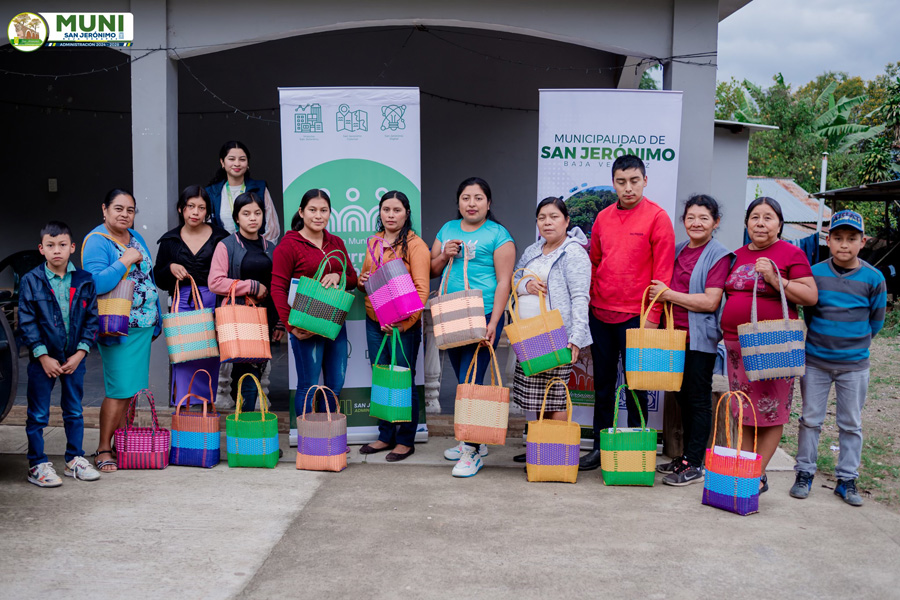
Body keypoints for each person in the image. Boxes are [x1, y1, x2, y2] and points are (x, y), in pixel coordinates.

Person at [579, 155, 675, 472]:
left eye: (634, 181)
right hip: (600, 314)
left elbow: (663, 276)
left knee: (637, 386)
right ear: (614, 183)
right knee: (603, 386)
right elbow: (594, 263)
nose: (628, 188)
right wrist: (590, 303)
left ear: (645, 181)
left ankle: (636, 450)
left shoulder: (658, 218)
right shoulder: (603, 217)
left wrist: (653, 318)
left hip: (638, 317)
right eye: (621, 182)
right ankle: (600, 447)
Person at [790, 210, 886, 506]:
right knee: (810, 419)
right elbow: (809, 311)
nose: (844, 244)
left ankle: (846, 479)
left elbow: (876, 321)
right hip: (816, 362)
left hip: (854, 366)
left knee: (851, 423)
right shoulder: (815, 274)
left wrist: (853, 345)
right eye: (838, 238)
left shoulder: (874, 278)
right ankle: (804, 473)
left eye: (852, 238)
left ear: (863, 242)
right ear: (828, 240)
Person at [721, 197, 817, 493]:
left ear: (779, 224)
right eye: (755, 217)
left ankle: (754, 476)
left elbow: (810, 296)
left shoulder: (790, 254)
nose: (760, 223)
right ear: (746, 222)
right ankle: (748, 470)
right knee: (745, 411)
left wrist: (776, 279)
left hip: (773, 345)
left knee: (771, 411)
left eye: (768, 217)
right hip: (736, 346)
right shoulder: (736, 255)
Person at [430, 177, 515, 477]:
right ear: (458, 202)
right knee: (462, 377)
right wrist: (444, 254)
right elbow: (432, 268)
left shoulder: (499, 235)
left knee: (473, 382)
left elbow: (504, 281)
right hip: (452, 311)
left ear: (488, 203)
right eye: (466, 198)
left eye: (478, 198)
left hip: (484, 313)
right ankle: (474, 439)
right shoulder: (447, 229)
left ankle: (471, 451)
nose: (472, 203)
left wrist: (494, 321)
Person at [648, 195, 732, 486]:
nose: (696, 223)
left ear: (715, 222)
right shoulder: (678, 250)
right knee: (681, 397)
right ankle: (684, 457)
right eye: (691, 217)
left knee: (698, 399)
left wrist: (668, 294)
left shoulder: (719, 255)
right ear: (683, 220)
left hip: (699, 340)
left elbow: (710, 301)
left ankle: (695, 463)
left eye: (704, 218)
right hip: (673, 338)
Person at [82, 189, 163, 473]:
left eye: (130, 210)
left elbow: (148, 278)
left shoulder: (135, 237)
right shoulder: (96, 241)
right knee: (118, 389)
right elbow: (95, 284)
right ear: (104, 209)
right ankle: (103, 448)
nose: (125, 214)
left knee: (131, 390)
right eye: (118, 208)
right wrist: (125, 260)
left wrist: (157, 317)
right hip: (118, 328)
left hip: (142, 326)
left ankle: (121, 444)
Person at [17, 221, 101, 486]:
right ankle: (37, 464)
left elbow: (92, 319)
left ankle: (74, 459)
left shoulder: (84, 280)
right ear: (41, 249)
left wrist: (81, 352)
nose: (57, 250)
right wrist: (42, 356)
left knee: (74, 411)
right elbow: (27, 321)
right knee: (38, 414)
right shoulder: (32, 280)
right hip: (42, 361)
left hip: (74, 358)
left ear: (72, 247)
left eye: (62, 245)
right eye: (50, 245)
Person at [510, 197, 592, 463]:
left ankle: (553, 457)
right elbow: (515, 278)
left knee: (554, 397)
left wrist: (576, 338)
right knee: (538, 397)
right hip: (529, 334)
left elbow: (580, 297)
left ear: (566, 221)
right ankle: (540, 448)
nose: (547, 222)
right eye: (542, 217)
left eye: (554, 217)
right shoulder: (533, 250)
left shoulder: (573, 253)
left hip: (558, 334)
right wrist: (527, 286)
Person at [271, 189, 358, 417]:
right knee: (308, 387)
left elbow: (353, 278)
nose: (318, 216)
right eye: (312, 210)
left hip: (334, 324)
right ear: (301, 212)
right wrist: (291, 327)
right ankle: (308, 437)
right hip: (305, 326)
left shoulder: (336, 242)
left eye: (323, 210)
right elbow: (277, 289)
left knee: (335, 385)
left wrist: (338, 275)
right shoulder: (288, 246)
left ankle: (327, 434)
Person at [357, 191, 430, 462]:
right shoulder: (373, 242)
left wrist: (404, 324)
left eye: (396, 210)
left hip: (402, 326)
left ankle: (406, 440)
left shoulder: (415, 245)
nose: (390, 215)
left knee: (403, 380)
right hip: (375, 320)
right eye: (386, 209)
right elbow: (366, 281)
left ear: (406, 213)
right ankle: (385, 435)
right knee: (383, 378)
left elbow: (421, 290)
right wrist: (361, 281)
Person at [208, 192, 284, 410]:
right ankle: (246, 423)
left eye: (257, 213)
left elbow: (277, 286)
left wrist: (279, 321)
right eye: (246, 213)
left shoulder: (271, 248)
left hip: (264, 319)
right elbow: (215, 282)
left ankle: (246, 422)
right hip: (239, 318)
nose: (253, 218)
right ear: (236, 218)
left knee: (257, 372)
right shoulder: (226, 245)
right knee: (246, 374)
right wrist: (250, 286)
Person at [154, 185, 229, 407]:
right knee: (184, 358)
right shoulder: (170, 240)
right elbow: (158, 278)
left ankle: (206, 410)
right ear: (181, 209)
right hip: (183, 304)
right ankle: (184, 409)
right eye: (190, 206)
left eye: (201, 207)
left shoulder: (221, 238)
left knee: (210, 356)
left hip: (213, 303)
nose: (195, 212)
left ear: (208, 211)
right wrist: (170, 268)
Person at [205, 140, 281, 243]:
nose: (237, 164)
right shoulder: (212, 192)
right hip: (223, 249)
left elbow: (272, 228)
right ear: (222, 162)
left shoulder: (260, 188)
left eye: (242, 159)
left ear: (248, 163)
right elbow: (206, 229)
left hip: (256, 249)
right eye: (231, 159)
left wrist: (261, 249)